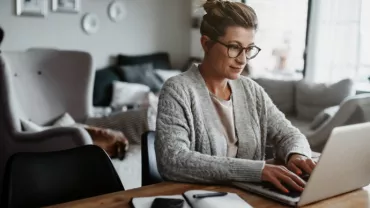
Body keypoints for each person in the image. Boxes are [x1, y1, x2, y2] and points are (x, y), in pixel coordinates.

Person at [155, 0, 316, 194]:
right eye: (234, 47)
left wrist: (297, 155)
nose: (242, 59)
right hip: (201, 200)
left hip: (249, 197)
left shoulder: (251, 90)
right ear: (206, 44)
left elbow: (289, 134)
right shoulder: (177, 89)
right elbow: (173, 160)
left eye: (249, 49)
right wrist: (258, 171)